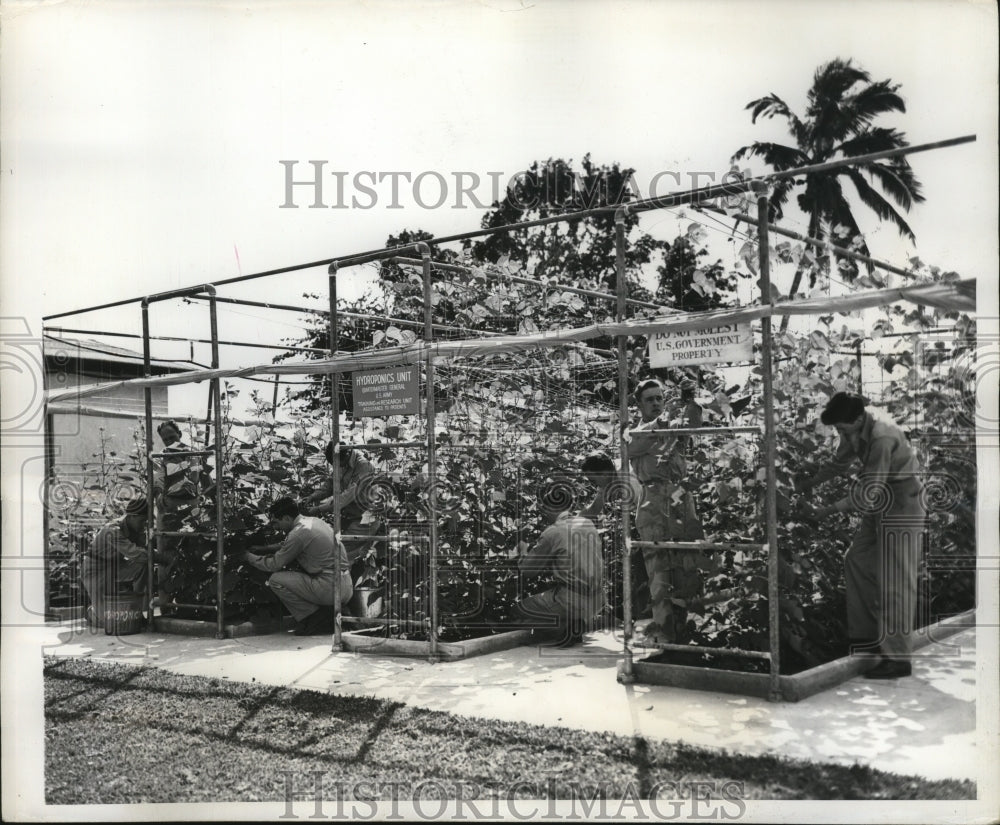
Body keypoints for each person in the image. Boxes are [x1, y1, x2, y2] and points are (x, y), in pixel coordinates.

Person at [798, 392, 926, 679]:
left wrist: (826, 510)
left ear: (857, 419)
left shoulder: (881, 437)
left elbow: (870, 491)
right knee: (857, 560)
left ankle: (897, 658)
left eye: (842, 430)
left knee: (896, 580)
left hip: (902, 499)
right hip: (881, 498)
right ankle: (867, 640)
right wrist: (809, 481)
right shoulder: (854, 424)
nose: (840, 434)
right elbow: (840, 463)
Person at [627, 376, 708, 645]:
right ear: (637, 404)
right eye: (649, 399)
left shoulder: (672, 427)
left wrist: (689, 400)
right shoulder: (633, 432)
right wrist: (665, 419)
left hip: (680, 496)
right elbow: (635, 445)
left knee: (687, 564)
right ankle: (663, 633)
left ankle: (683, 631)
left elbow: (693, 426)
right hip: (652, 499)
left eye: (659, 398)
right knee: (658, 568)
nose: (656, 403)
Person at [511, 484, 606, 648]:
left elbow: (528, 571)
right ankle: (574, 623)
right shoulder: (588, 523)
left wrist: (523, 550)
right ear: (570, 506)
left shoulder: (552, 532)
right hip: (598, 599)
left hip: (572, 600)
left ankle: (563, 629)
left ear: (547, 508)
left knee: (519, 610)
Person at [244, 497, 353, 636]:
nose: (275, 527)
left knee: (276, 580)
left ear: (287, 518)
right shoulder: (313, 522)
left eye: (276, 522)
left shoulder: (298, 533)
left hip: (330, 589)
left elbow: (273, 564)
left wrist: (247, 557)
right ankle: (330, 612)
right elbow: (291, 544)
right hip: (346, 586)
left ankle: (316, 619)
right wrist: (264, 549)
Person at [303, 442, 381, 575]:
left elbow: (347, 496)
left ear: (346, 455)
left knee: (342, 554)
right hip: (350, 517)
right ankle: (343, 587)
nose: (337, 467)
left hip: (365, 520)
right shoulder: (342, 461)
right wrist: (312, 497)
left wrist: (318, 509)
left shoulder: (363, 466)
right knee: (340, 552)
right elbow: (331, 484)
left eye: (338, 464)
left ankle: (342, 590)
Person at [152, 420, 204, 607]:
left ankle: (192, 600)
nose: (169, 442)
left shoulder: (192, 454)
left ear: (180, 435)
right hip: (168, 510)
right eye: (165, 440)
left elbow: (194, 480)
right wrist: (159, 494)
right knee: (165, 553)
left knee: (193, 551)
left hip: (189, 508)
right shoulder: (160, 456)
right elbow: (157, 480)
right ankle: (166, 602)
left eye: (172, 437)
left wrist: (174, 484)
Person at [81, 497, 151, 627]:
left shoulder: (137, 530)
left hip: (115, 567)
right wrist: (161, 558)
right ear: (131, 517)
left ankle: (137, 607)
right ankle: (92, 613)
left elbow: (143, 554)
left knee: (142, 565)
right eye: (142, 521)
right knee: (110, 623)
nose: (144, 525)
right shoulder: (112, 530)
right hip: (95, 571)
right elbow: (136, 553)